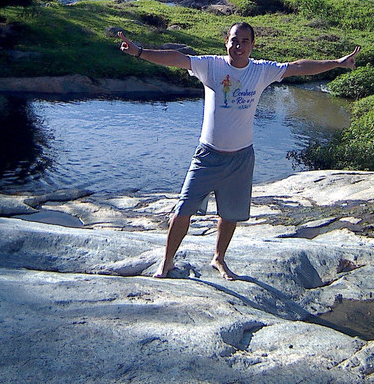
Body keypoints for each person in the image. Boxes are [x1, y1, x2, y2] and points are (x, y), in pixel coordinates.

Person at [118, 22, 360, 280]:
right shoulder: (212, 66)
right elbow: (178, 58)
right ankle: (166, 263)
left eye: (245, 41)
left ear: (252, 45)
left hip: (241, 157)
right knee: (183, 210)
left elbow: (298, 67)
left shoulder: (262, 71)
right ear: (226, 41)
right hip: (208, 156)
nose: (239, 46)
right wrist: (140, 52)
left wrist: (337, 62)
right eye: (234, 40)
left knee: (230, 214)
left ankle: (218, 259)